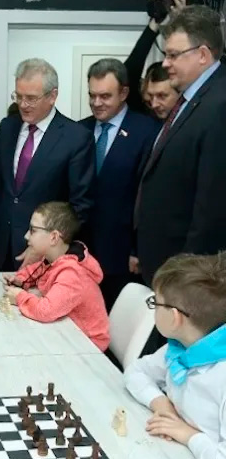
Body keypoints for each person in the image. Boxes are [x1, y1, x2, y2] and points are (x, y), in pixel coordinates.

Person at [135, 4, 226, 288]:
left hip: (188, 275)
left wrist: (188, 275)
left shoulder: (220, 105)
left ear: (202, 55)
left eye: (173, 55)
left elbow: (212, 205)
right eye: (166, 54)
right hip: (167, 265)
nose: (165, 63)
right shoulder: (192, 101)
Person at [124, 252, 226, 459]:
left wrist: (189, 435)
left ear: (174, 317)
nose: (153, 308)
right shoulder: (184, 348)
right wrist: (160, 403)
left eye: (155, 302)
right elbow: (136, 371)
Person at [0, 58, 95, 271]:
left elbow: (80, 206)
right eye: (18, 96)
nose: (23, 105)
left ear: (52, 96)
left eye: (31, 98)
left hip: (48, 256)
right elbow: (0, 188)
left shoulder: (76, 138)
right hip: (4, 246)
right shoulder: (8, 127)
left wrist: (43, 246)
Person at [79, 59, 160, 309]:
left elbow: (148, 197)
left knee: (118, 328)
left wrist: (137, 250)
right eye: (92, 95)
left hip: (122, 253)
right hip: (82, 253)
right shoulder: (79, 130)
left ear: (124, 93)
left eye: (105, 96)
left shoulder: (148, 131)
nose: (96, 103)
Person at [2, 202, 109, 351]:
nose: (26, 236)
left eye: (33, 230)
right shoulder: (55, 258)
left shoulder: (72, 273)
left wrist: (19, 297)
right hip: (66, 330)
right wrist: (21, 279)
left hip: (86, 345)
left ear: (53, 237)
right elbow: (38, 270)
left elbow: (45, 311)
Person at [125, 0, 187, 116]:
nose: (154, 104)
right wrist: (154, 24)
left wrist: (184, 20)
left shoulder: (193, 114)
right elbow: (128, 74)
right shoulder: (143, 113)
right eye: (149, 98)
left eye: (162, 96)